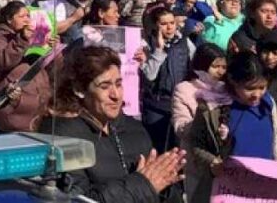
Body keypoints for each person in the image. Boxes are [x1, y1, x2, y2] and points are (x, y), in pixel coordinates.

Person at [43, 46, 185, 203]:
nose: (115, 95)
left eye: (118, 84)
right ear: (79, 89)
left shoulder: (133, 129)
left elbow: (157, 187)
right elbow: (78, 199)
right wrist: (143, 185)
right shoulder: (62, 135)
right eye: (104, 86)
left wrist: (165, 184)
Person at [187, 52, 277, 203]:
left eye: (262, 87)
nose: (257, 95)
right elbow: (195, 145)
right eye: (250, 88)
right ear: (233, 81)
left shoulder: (268, 105)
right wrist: (212, 162)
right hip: (229, 190)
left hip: (264, 189)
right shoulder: (213, 108)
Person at [0, 1, 53, 133]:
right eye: (22, 16)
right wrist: (22, 40)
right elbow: (1, 61)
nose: (27, 20)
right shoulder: (1, 37)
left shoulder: (34, 36)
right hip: (15, 113)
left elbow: (50, 67)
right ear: (10, 19)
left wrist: (51, 47)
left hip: (37, 111)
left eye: (28, 16)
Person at [139, 6, 196, 152]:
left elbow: (193, 67)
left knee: (178, 148)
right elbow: (149, 75)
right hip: (156, 104)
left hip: (178, 102)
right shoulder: (146, 44)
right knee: (156, 147)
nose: (169, 27)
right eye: (163, 24)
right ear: (155, 26)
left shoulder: (185, 42)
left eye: (172, 22)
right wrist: (159, 50)